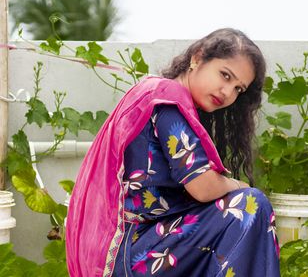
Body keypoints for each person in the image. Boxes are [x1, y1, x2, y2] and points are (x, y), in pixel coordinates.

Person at [66, 28, 280, 276]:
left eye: (238, 89)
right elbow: (202, 186)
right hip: (129, 254)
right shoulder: (168, 98)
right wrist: (237, 185)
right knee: (251, 204)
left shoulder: (158, 95)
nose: (227, 92)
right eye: (225, 75)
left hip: (136, 246)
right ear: (197, 57)